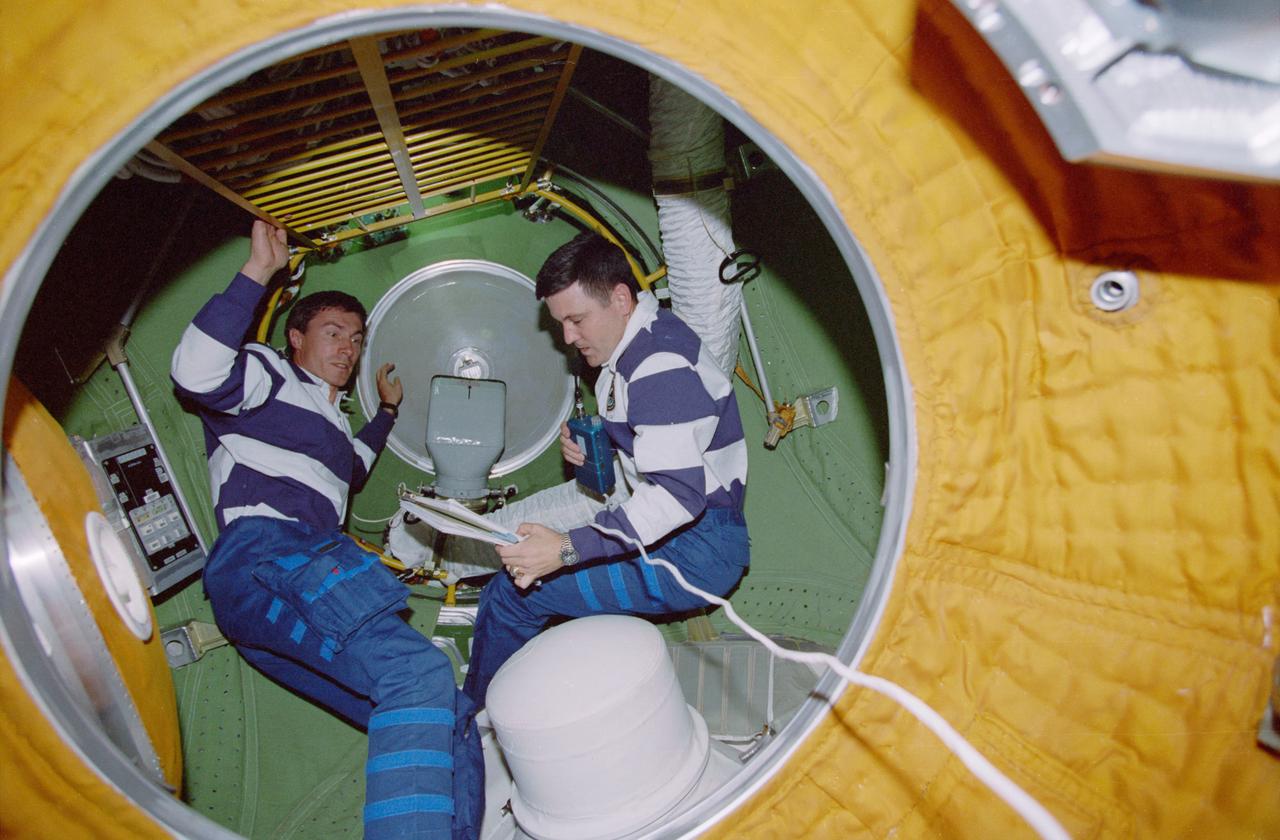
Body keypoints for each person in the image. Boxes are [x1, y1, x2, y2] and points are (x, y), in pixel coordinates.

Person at [172, 221, 480, 840]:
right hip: (269, 555)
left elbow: (354, 467)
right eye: (333, 333)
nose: (348, 348)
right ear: (295, 337)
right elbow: (197, 375)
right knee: (416, 674)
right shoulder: (266, 374)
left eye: (357, 339)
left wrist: (387, 412)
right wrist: (257, 273)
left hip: (289, 577)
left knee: (453, 713)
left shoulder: (331, 425)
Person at [461, 231, 750, 706]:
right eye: (561, 324)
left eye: (576, 319)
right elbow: (662, 442)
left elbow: (678, 495)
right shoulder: (633, 352)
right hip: (683, 537)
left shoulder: (657, 362)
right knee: (518, 591)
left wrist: (570, 548)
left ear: (620, 298)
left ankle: (472, 720)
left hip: (697, 548)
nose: (569, 337)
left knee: (514, 596)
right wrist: (597, 444)